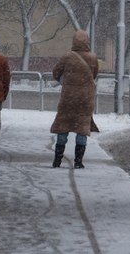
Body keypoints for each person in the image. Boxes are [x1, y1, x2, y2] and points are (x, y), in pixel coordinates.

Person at [50, 30, 99, 168]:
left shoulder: (67, 57)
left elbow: (56, 73)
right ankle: (78, 161)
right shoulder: (93, 57)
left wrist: (67, 80)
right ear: (87, 41)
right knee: (82, 128)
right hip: (85, 99)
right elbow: (94, 75)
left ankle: (57, 160)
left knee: (63, 126)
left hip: (68, 98)